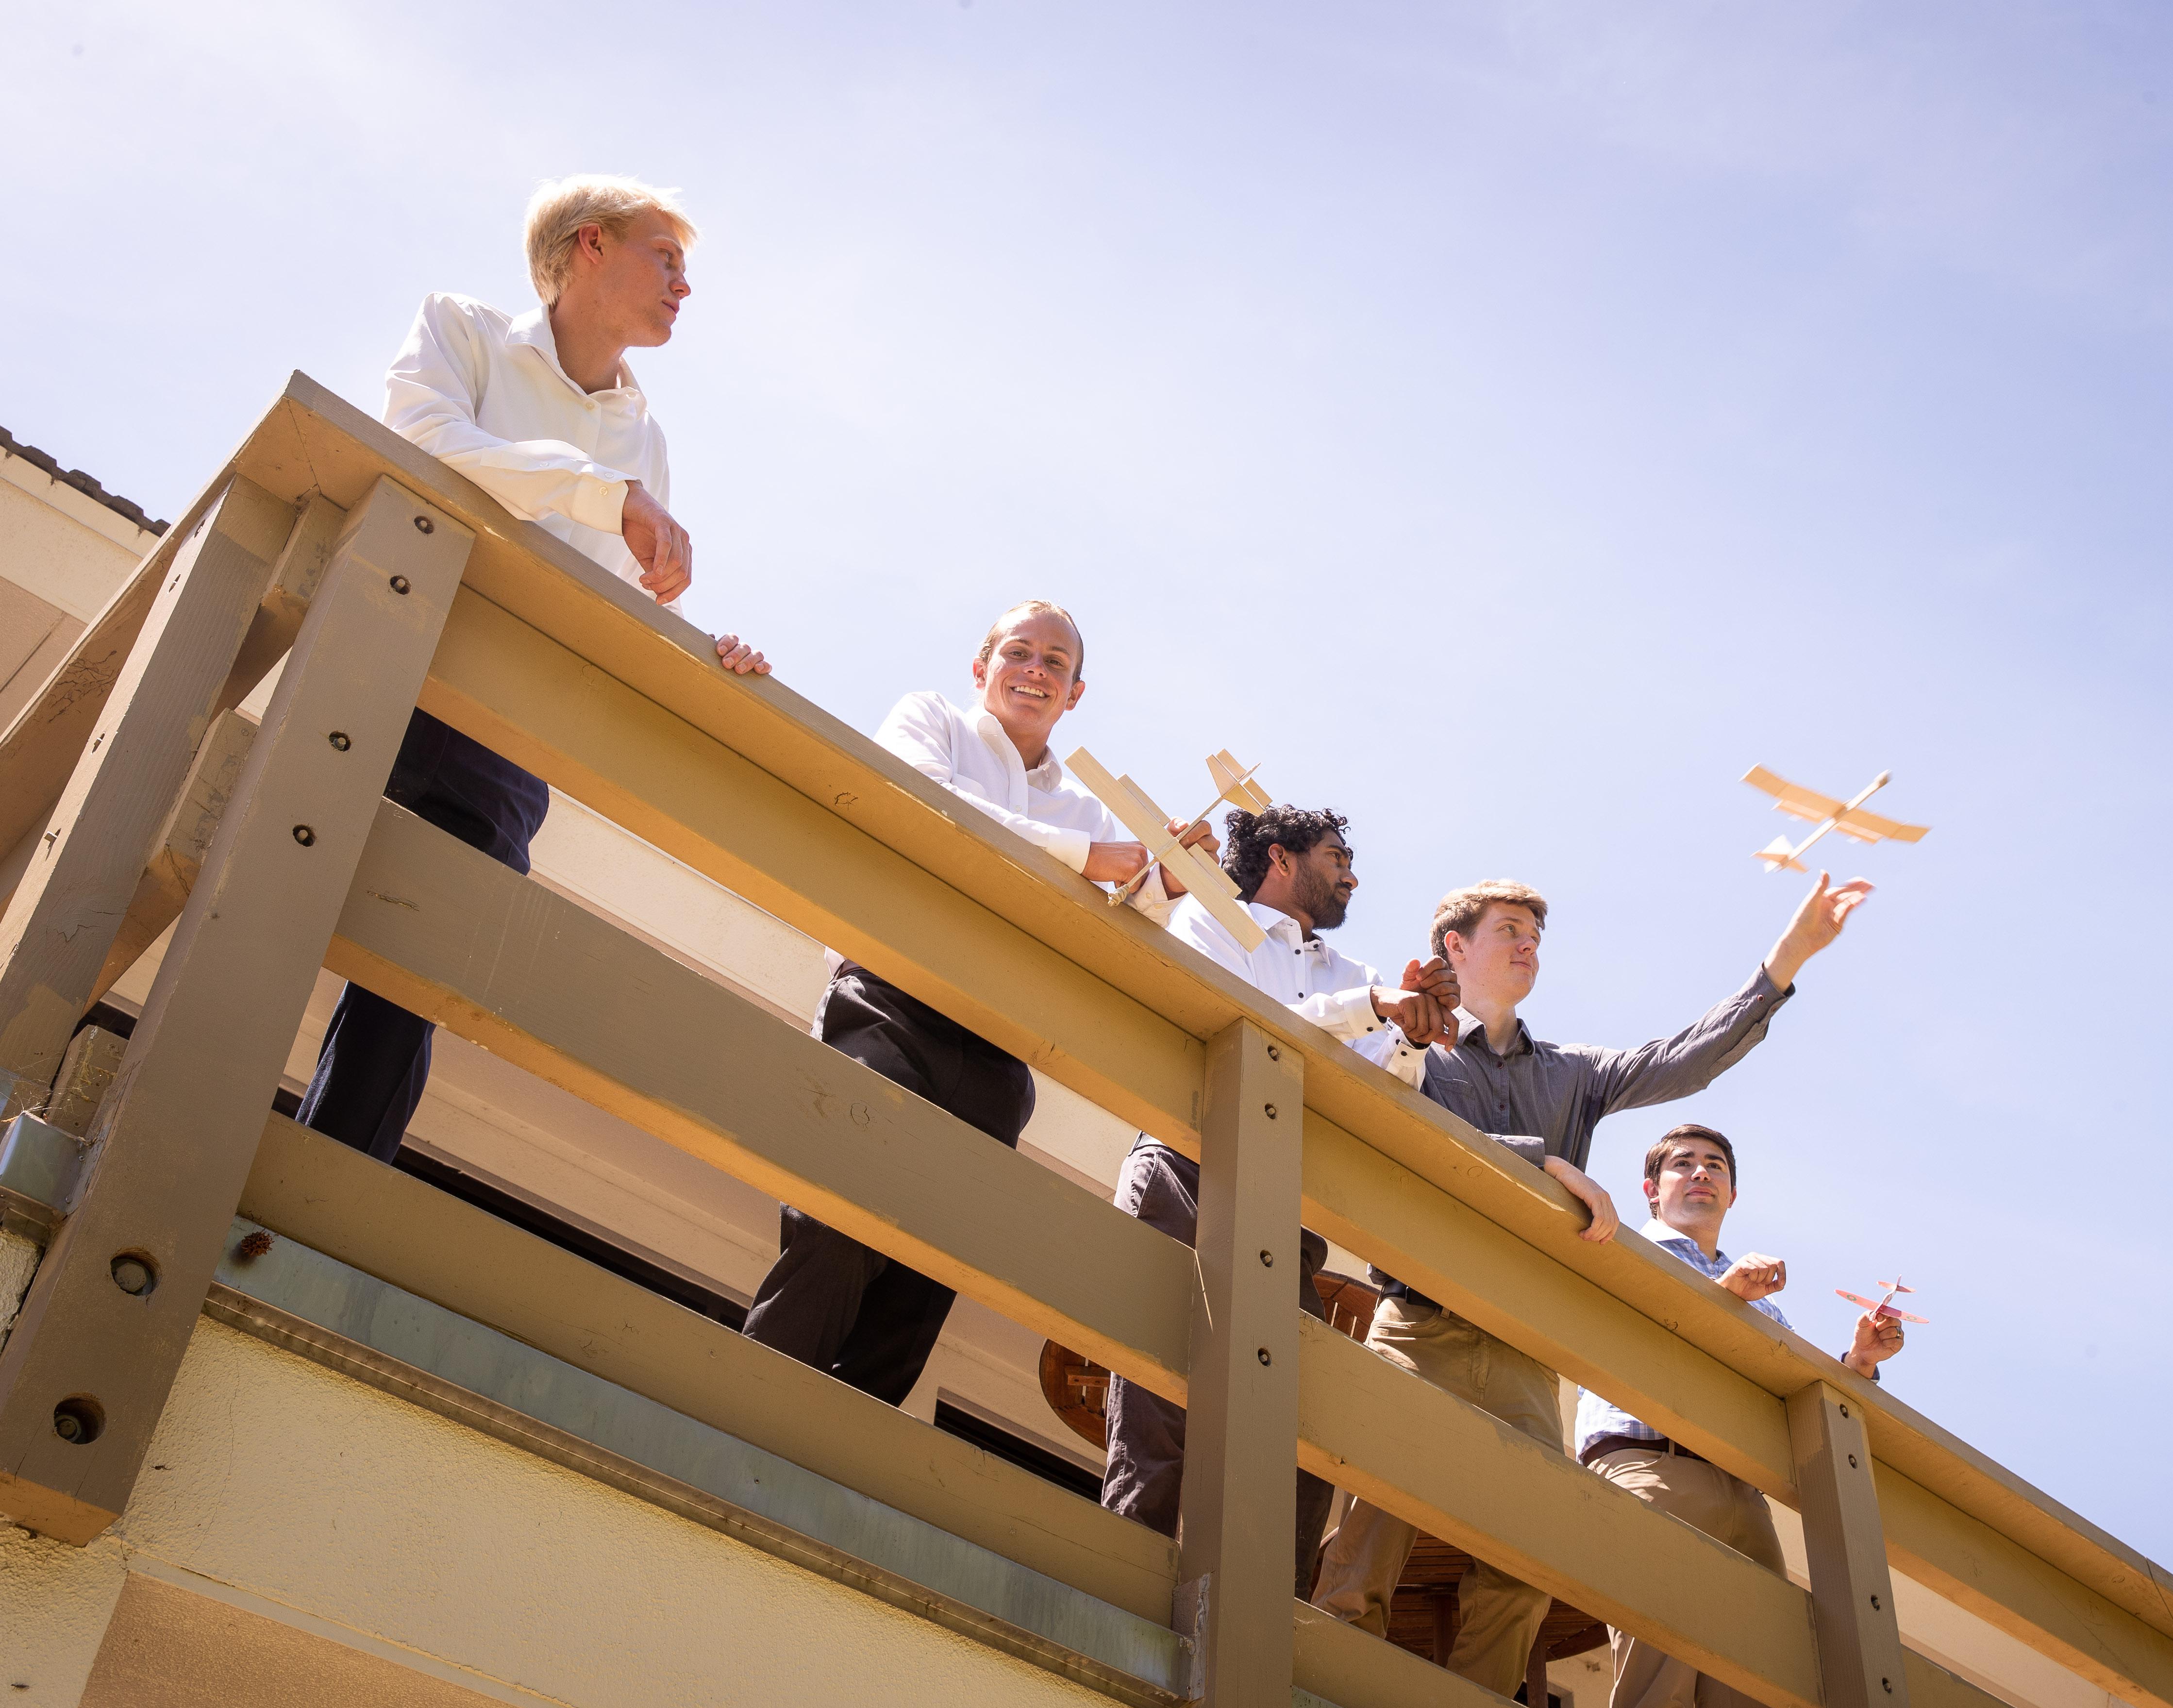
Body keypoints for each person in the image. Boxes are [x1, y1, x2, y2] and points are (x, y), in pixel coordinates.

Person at [298, 174, 769, 1165]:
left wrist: (709, 653)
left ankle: (318, 1189)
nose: (686, 286)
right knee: (276, 891)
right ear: (589, 246)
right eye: (666, 259)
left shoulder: (647, 440)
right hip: (386, 658)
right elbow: (426, 441)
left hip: (510, 739)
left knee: (419, 971)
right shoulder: (461, 329)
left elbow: (631, 610)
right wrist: (607, 496)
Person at [1312, 870, 1872, 1697]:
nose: (1529, 946)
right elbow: (1408, 1138)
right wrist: (1546, 1164)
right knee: (1374, 1522)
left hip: (1524, 1350)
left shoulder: (1574, 1071)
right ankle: (1316, 1689)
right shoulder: (1406, 1044)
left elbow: (1683, 1061)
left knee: (1533, 1552)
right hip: (1420, 1322)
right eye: (1510, 930)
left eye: (1536, 936)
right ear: (1454, 947)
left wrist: (1790, 955)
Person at [740, 600, 1204, 1407]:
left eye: (1055, 664)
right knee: (843, 1206)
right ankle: (751, 1403)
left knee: (934, 1257)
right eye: (1019, 652)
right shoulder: (934, 722)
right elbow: (921, 799)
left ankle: (846, 1441)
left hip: (1000, 1045)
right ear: (981, 664)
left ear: (1076, 693)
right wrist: (1082, 856)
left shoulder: (1090, 808)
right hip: (893, 992)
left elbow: (1129, 914)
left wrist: (1160, 880)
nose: (1035, 671)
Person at [1103, 804, 1458, 1595]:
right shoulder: (1205, 920)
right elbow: (1240, 1020)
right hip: (1187, 1164)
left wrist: (1412, 1036)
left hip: (1288, 1208)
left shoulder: (1352, 975)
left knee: (1289, 1427)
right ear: (1281, 857)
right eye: (1337, 855)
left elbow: (1381, 1092)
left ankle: (1267, 1618)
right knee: (1159, 1386)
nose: (1353, 874)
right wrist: (1376, 1009)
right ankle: (1122, 1584)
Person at [1576, 1125, 1904, 1708]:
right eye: (1683, 1164)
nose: (1701, 1173)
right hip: (1649, 1463)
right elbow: (1649, 1341)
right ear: (1651, 1190)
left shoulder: (1766, 1307)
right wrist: (1726, 1300)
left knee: (1755, 1707)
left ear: (1731, 1193)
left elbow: (1794, 1395)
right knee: (1655, 1685)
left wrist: (1859, 1361)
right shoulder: (1625, 1245)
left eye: (1715, 1166)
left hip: (1741, 1492)